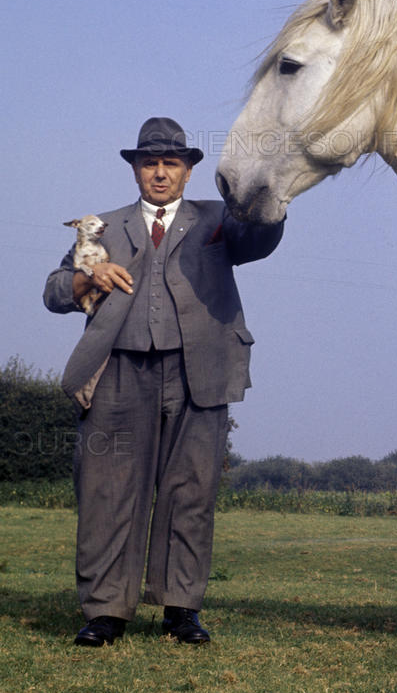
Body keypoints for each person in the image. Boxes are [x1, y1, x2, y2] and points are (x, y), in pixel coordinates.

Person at [44, 117, 285, 647]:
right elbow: (54, 290)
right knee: (106, 491)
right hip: (117, 372)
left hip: (199, 373)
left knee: (191, 493)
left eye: (170, 163)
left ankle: (181, 611)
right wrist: (89, 277)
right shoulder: (100, 226)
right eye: (149, 162)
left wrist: (272, 195)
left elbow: (260, 238)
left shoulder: (220, 221)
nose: (159, 172)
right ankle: (105, 613)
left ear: (189, 172)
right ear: (134, 169)